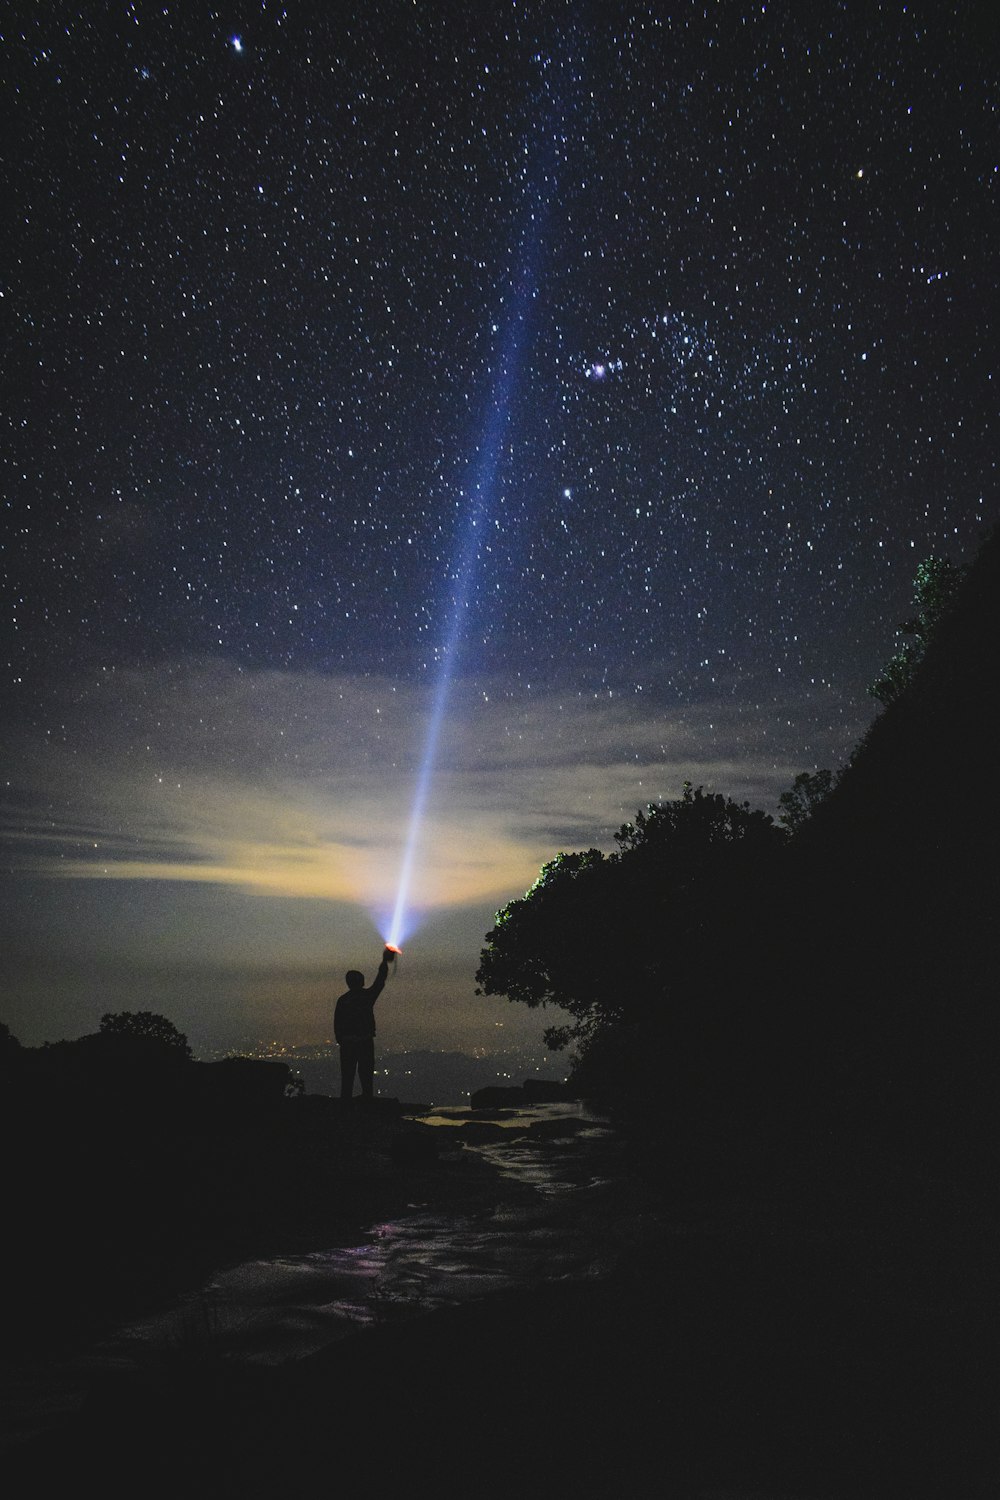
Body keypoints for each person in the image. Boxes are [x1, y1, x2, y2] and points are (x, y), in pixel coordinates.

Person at [334, 947, 395, 1100]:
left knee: (347, 1076)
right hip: (364, 1042)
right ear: (360, 981)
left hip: (348, 1043)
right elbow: (380, 981)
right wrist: (384, 962)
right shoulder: (366, 997)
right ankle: (367, 1102)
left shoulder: (343, 1000)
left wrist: (342, 1039)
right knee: (366, 1075)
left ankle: (345, 1104)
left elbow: (337, 1024)